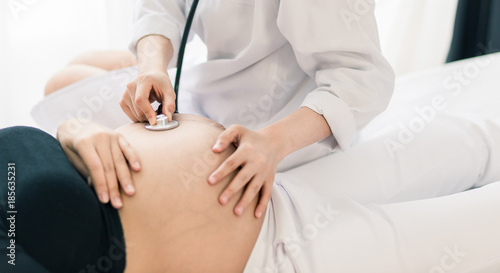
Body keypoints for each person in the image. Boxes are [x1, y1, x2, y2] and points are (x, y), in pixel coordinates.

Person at [43, 0, 395, 218]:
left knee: (61, 84)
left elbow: (363, 77)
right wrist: (151, 66)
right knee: (77, 67)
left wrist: (272, 142)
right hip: (208, 90)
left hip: (265, 127)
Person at [1, 112, 500, 272]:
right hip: (274, 256)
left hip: (263, 182)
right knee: (484, 225)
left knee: (462, 141)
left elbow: (34, 145)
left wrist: (74, 130)